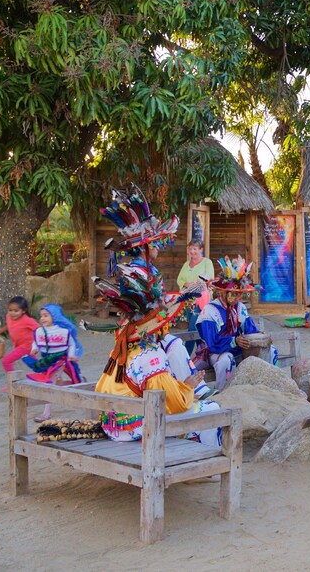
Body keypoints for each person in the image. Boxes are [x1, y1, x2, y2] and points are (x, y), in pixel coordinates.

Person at [93, 190, 220, 444]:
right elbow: (172, 402)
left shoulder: (126, 345)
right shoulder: (151, 356)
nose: (160, 248)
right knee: (212, 412)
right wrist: (186, 386)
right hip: (135, 426)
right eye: (157, 244)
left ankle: (201, 391)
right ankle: (205, 469)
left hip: (116, 422)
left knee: (173, 343)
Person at [194, 257, 274, 391]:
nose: (237, 298)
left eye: (239, 294)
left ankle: (266, 388)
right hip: (214, 352)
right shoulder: (209, 311)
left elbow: (250, 331)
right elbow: (212, 342)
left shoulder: (240, 307)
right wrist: (234, 341)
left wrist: (260, 339)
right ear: (223, 292)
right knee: (226, 359)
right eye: (233, 294)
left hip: (238, 349)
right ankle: (224, 393)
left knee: (271, 351)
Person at [25, 303, 84, 422]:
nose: (42, 318)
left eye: (46, 315)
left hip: (59, 361)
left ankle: (46, 412)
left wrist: (72, 355)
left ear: (55, 316)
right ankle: (80, 384)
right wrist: (34, 348)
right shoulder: (39, 331)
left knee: (49, 382)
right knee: (57, 384)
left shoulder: (63, 332)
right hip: (46, 361)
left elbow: (71, 344)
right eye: (41, 316)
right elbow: (35, 341)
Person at [0, 296, 39, 375]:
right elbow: (9, 325)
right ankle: (49, 374)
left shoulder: (27, 320)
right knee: (37, 365)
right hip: (19, 345)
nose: (12, 313)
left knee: (6, 361)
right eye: (10, 310)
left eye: (16, 311)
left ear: (23, 311)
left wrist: (38, 344)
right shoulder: (9, 317)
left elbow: (39, 329)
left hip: (26, 346)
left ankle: (12, 382)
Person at [176, 239, 215, 330]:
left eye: (195, 249)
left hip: (201, 300)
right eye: (190, 249)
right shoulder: (186, 264)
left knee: (192, 327)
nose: (192, 251)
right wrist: (187, 284)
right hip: (187, 300)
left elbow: (209, 280)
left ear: (201, 250)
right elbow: (179, 279)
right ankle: (201, 344)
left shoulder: (207, 263)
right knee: (196, 327)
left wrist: (193, 286)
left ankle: (187, 345)